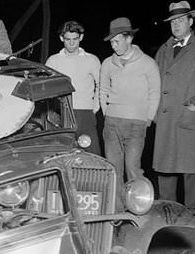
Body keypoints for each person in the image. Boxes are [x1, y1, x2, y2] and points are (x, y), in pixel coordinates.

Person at [152, 1, 195, 218]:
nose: (176, 25)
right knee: (166, 167)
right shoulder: (163, 49)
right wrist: (154, 112)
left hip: (189, 115)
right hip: (166, 116)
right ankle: (167, 211)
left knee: (192, 168)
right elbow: (153, 81)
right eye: (173, 21)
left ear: (190, 21)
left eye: (181, 20)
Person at [99, 17, 161, 196]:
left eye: (117, 41)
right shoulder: (107, 63)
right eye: (111, 42)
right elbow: (102, 89)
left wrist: (147, 118)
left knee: (132, 168)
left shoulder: (148, 63)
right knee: (113, 170)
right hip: (112, 123)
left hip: (136, 123)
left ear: (129, 39)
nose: (114, 46)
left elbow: (154, 92)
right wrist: (107, 112)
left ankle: (139, 206)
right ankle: (117, 211)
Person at [45, 20, 102, 154]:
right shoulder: (53, 61)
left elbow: (101, 85)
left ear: (81, 37)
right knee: (63, 152)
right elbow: (46, 87)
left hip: (85, 113)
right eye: (67, 39)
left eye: (75, 39)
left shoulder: (91, 60)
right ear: (61, 38)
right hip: (61, 112)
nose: (71, 43)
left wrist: (95, 107)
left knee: (90, 151)